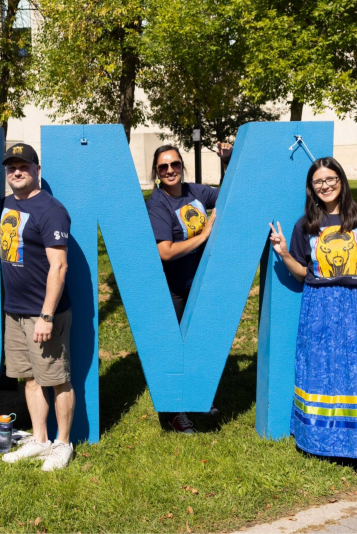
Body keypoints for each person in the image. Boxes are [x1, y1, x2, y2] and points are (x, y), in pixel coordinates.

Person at [268, 157, 357, 477]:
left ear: (341, 180)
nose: (325, 186)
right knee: (319, 369)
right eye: (318, 182)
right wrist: (285, 254)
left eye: (330, 179)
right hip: (319, 304)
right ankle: (316, 441)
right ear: (311, 188)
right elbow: (303, 273)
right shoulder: (306, 225)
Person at [0, 143, 75, 471]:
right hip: (14, 310)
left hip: (42, 313)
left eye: (24, 166)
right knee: (29, 377)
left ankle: (63, 443)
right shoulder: (5, 204)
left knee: (57, 378)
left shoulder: (50, 209)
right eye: (11, 167)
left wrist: (46, 315)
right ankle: (40, 439)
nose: (17, 172)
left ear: (37, 170)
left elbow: (59, 266)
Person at [145, 143, 231, 434]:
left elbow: (232, 194)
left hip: (203, 283)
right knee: (175, 348)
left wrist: (227, 161)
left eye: (175, 164)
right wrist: (204, 235)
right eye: (163, 166)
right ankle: (174, 412)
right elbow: (165, 251)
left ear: (182, 165)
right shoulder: (158, 204)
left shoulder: (196, 191)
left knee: (200, 341)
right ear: (156, 171)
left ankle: (198, 396)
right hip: (176, 288)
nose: (170, 170)